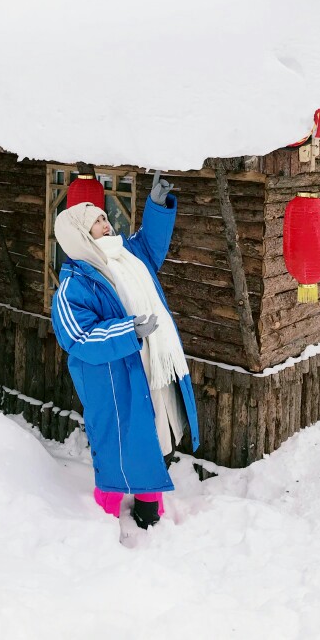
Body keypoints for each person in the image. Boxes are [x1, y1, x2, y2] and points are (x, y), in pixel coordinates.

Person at [51, 175, 200, 529]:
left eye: (104, 217)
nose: (106, 223)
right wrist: (127, 330)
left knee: (155, 434)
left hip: (152, 364)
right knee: (119, 443)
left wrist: (157, 206)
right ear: (80, 234)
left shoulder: (128, 254)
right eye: (97, 221)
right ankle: (101, 518)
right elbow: (77, 336)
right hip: (115, 377)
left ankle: (151, 511)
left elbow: (150, 243)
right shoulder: (76, 283)